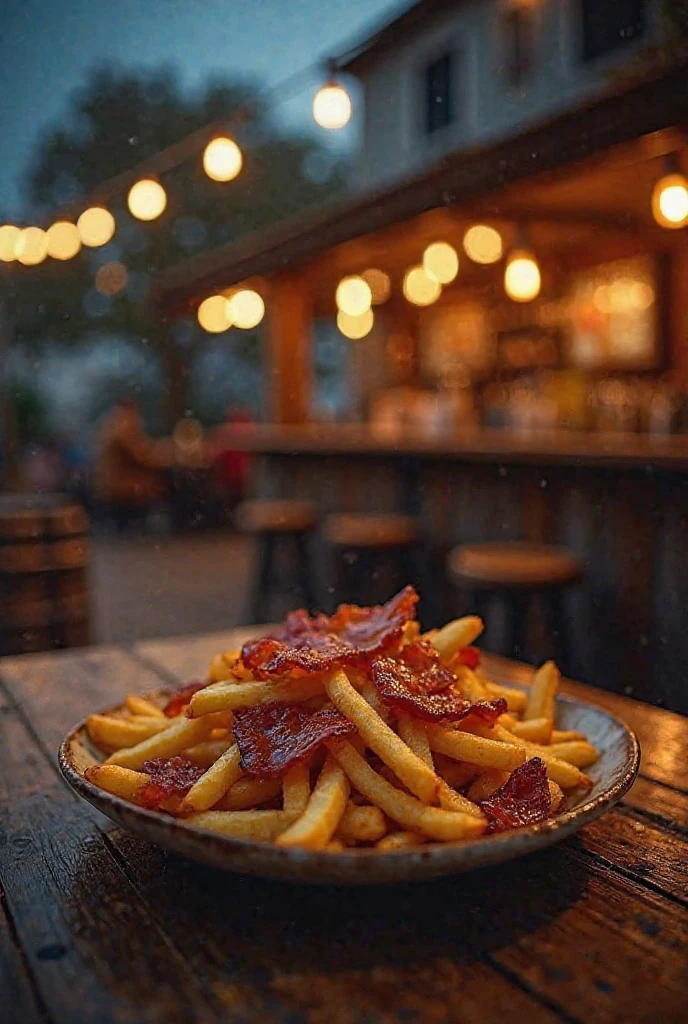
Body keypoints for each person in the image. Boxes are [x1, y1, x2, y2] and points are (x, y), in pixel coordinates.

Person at [93, 399, 171, 532]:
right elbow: (143, 457)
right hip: (121, 486)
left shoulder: (108, 430)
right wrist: (164, 454)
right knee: (165, 483)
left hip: (105, 485)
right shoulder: (122, 433)